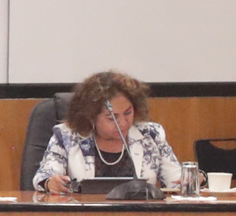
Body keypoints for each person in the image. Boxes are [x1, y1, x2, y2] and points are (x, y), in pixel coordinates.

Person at [36, 70, 180, 195]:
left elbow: (176, 182)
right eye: (112, 118)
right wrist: (50, 183)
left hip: (140, 215)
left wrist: (189, 182)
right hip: (84, 215)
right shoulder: (67, 136)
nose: (123, 123)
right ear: (91, 116)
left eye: (128, 113)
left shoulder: (151, 134)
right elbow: (44, 176)